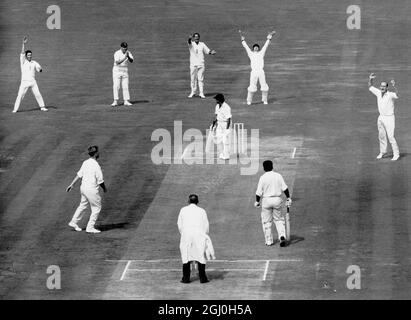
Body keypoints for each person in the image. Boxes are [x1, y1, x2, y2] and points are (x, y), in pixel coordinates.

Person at [66, 146, 107, 233]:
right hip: (91, 189)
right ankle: (90, 227)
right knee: (96, 207)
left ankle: (74, 222)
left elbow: (79, 174)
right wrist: (104, 189)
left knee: (83, 205)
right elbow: (100, 181)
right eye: (98, 152)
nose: (99, 153)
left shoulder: (85, 162)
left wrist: (71, 184)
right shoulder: (96, 166)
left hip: (83, 188)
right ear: (96, 154)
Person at [177, 194, 215, 284]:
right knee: (200, 256)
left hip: (187, 235)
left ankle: (186, 278)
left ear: (188, 201)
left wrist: (184, 233)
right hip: (199, 235)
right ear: (197, 202)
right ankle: (203, 278)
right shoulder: (202, 211)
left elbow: (179, 224)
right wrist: (204, 234)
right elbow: (206, 226)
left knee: (186, 256)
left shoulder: (183, 210)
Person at [255, 160, 292, 247]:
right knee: (279, 220)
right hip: (277, 200)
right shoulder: (278, 176)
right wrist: (288, 198)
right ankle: (282, 236)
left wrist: (257, 202)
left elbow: (258, 193)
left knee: (267, 222)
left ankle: (269, 241)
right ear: (272, 167)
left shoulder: (262, 177)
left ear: (264, 168)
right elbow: (285, 188)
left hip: (266, 201)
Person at [368, 73, 400, 161]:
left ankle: (396, 154)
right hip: (381, 117)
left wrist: (395, 86)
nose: (382, 88)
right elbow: (370, 87)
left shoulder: (390, 94)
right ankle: (382, 152)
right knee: (381, 136)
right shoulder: (378, 93)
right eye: (381, 86)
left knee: (390, 136)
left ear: (387, 88)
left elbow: (397, 95)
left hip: (389, 118)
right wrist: (370, 79)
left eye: (384, 86)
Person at [13, 36, 48, 113]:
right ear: (26, 56)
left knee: (38, 94)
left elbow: (39, 69)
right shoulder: (23, 62)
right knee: (20, 96)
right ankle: (15, 109)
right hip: (24, 82)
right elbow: (22, 53)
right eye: (28, 55)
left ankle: (42, 107)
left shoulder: (34, 62)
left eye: (30, 55)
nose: (29, 56)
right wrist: (23, 44)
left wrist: (40, 69)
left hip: (33, 82)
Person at [240, 31, 275, 105]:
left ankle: (264, 100)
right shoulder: (251, 54)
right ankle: (249, 100)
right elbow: (246, 47)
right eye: (254, 47)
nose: (256, 48)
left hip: (261, 72)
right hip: (254, 72)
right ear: (253, 49)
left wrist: (269, 37)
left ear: (258, 48)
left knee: (264, 86)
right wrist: (243, 40)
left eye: (257, 47)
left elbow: (266, 46)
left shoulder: (261, 53)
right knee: (252, 86)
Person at [187, 33, 216, 98]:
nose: (196, 38)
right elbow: (189, 42)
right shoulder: (191, 44)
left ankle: (201, 93)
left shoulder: (202, 44)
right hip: (193, 64)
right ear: (194, 38)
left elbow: (207, 51)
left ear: (199, 38)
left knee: (200, 79)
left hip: (201, 64)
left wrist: (212, 53)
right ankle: (193, 92)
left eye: (197, 37)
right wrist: (189, 38)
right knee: (193, 79)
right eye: (195, 37)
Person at [111, 42, 134, 107]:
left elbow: (131, 61)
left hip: (125, 70)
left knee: (125, 86)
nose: (125, 49)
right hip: (117, 70)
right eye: (124, 48)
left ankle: (126, 101)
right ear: (121, 47)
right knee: (116, 86)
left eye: (126, 48)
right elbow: (117, 62)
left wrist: (128, 56)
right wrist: (125, 57)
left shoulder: (128, 52)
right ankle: (115, 101)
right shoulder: (117, 53)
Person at [210, 93, 232, 160]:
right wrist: (213, 125)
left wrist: (227, 129)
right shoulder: (217, 106)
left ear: (220, 100)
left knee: (225, 141)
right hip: (219, 124)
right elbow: (216, 116)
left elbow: (228, 119)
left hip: (226, 124)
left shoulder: (227, 107)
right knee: (219, 139)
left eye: (216, 99)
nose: (215, 100)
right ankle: (221, 153)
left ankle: (226, 155)